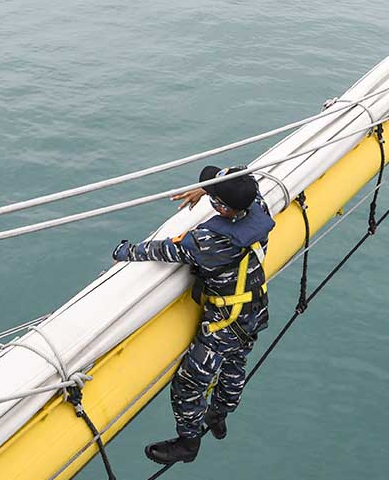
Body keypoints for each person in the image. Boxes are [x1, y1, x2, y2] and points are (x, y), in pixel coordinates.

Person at [112, 165, 275, 464]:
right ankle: (219, 414)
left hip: (224, 324)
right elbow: (246, 180)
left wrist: (123, 251)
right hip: (254, 311)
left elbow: (160, 251)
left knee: (189, 383)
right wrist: (210, 189)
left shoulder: (208, 241)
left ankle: (188, 443)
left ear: (221, 207)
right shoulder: (259, 211)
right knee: (235, 364)